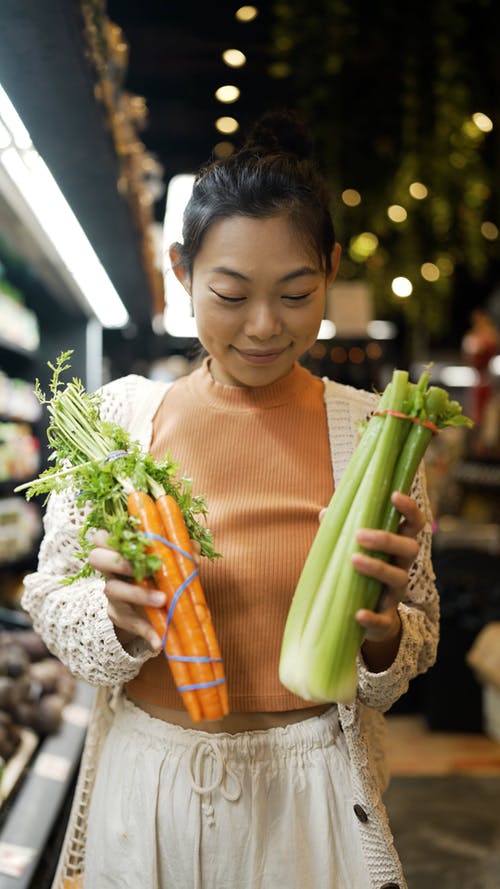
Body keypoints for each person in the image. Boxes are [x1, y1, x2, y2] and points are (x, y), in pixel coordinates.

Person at [22, 111, 439, 889]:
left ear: (331, 270)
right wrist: (112, 616)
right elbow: (50, 593)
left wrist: (383, 635)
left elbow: (410, 643)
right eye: (229, 292)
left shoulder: (376, 434)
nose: (262, 326)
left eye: (294, 293)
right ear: (182, 273)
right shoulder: (119, 422)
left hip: (313, 792)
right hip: (149, 786)